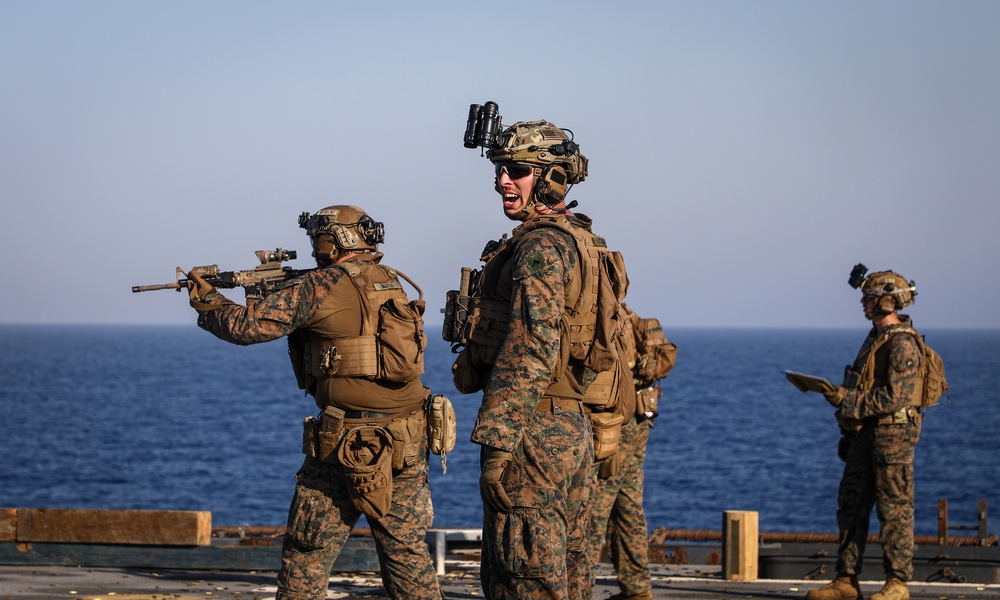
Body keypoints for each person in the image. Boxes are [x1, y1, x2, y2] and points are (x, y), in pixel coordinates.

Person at [186, 205, 443, 600]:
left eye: (316, 239)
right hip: (406, 437)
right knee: (407, 557)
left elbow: (246, 326)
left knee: (306, 553)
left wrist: (208, 301)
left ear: (332, 240)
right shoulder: (389, 280)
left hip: (345, 442)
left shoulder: (320, 285)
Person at [450, 118, 629, 599]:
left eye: (517, 169)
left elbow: (532, 345)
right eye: (501, 169)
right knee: (566, 578)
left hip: (533, 434)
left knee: (523, 579)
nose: (503, 180)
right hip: (570, 429)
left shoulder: (540, 247)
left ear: (551, 178)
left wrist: (499, 442)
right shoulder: (580, 242)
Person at [806, 268, 927, 600]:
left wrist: (849, 401)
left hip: (893, 438)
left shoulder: (902, 343)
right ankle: (846, 579)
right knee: (852, 505)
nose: (863, 303)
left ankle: (897, 583)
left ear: (886, 302)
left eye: (869, 298)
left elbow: (896, 397)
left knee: (894, 510)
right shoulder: (875, 339)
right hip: (865, 435)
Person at [586, 305, 677, 600]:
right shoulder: (629, 318)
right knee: (629, 508)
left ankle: (579, 587)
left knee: (592, 511)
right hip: (638, 423)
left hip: (612, 426)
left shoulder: (601, 320)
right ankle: (637, 589)